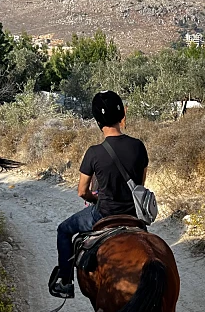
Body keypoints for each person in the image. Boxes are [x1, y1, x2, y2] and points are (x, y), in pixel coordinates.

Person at [49, 91, 149, 299]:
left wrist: (95, 199)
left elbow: (82, 191)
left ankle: (66, 282)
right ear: (122, 115)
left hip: (103, 213)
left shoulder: (94, 152)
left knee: (64, 230)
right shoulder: (139, 146)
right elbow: (140, 184)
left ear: (98, 121)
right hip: (133, 215)